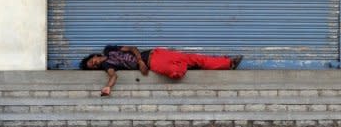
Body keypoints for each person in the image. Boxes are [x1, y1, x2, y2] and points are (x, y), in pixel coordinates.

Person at [80, 45, 243, 96]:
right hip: (154, 64)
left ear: (93, 56)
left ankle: (228, 63)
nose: (94, 64)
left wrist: (139, 61)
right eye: (92, 66)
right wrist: (109, 86)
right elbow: (113, 76)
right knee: (177, 73)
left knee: (194, 58)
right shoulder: (108, 66)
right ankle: (194, 65)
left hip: (155, 54)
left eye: (91, 61)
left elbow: (131, 48)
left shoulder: (108, 50)